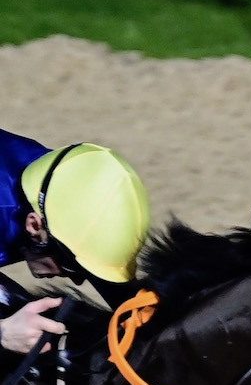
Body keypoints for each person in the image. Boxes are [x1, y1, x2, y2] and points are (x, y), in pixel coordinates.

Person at [1, 130, 151, 355]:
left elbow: (127, 302)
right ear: (34, 225)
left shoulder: (62, 190)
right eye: (72, 264)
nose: (78, 281)